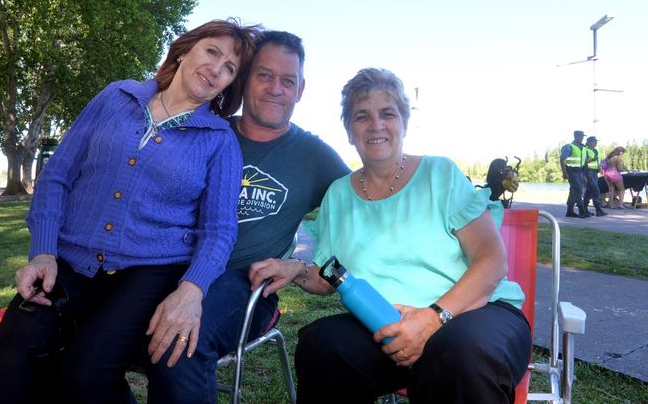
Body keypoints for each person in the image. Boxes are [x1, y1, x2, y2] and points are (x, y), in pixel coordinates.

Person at [0, 19, 259, 403]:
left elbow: (219, 230)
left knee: (84, 378)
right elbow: (57, 176)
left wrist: (192, 290)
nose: (216, 68)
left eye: (229, 68)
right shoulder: (116, 97)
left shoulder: (219, 140)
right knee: (4, 374)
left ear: (229, 85)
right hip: (68, 262)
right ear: (184, 50)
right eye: (212, 52)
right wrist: (42, 252)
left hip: (149, 274)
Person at [249, 68, 531, 403]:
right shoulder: (339, 194)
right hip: (384, 327)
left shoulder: (440, 174)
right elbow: (330, 278)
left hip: (471, 317)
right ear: (349, 131)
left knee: (458, 355)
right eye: (362, 116)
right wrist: (295, 269)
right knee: (322, 345)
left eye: (388, 114)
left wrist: (433, 318)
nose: (376, 125)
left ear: (404, 123)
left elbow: (492, 260)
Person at [147, 31, 349, 402]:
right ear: (245, 79)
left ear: (300, 89)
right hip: (168, 270)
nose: (276, 89)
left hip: (246, 285)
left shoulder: (315, 156)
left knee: (180, 341)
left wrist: (299, 265)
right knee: (87, 343)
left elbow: (365, 209)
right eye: (264, 75)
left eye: (287, 81)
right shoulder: (210, 129)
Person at [559, 130, 590, 218]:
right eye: (580, 136)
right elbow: (562, 159)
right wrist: (564, 173)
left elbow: (583, 162)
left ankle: (570, 211)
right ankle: (582, 211)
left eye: (583, 136)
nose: (582, 138)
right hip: (571, 171)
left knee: (573, 191)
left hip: (580, 172)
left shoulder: (583, 148)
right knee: (578, 190)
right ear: (575, 136)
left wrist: (584, 175)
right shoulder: (569, 146)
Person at [583, 136, 607, 216]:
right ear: (589, 142)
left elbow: (599, 161)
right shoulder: (585, 150)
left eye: (596, 142)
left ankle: (584, 209)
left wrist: (600, 167)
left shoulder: (596, 150)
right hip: (588, 171)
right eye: (594, 142)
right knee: (595, 190)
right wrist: (592, 159)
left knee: (589, 191)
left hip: (595, 172)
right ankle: (598, 210)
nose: (596, 143)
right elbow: (582, 161)